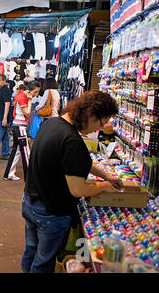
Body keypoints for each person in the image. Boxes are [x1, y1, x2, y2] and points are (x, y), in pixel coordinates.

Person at [21, 90, 122, 273]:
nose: (97, 130)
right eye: (100, 123)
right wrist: (105, 186)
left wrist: (105, 176)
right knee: (43, 262)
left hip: (30, 201)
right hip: (50, 212)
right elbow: (78, 189)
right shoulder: (71, 140)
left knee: (31, 250)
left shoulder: (53, 124)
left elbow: (75, 162)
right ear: (91, 114)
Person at [3, 81, 41, 181]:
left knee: (17, 151)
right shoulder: (23, 97)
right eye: (35, 92)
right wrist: (29, 100)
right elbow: (28, 113)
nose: (36, 94)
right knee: (25, 152)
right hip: (20, 127)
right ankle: (28, 178)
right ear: (30, 90)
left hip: (18, 126)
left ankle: (8, 174)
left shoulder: (21, 95)